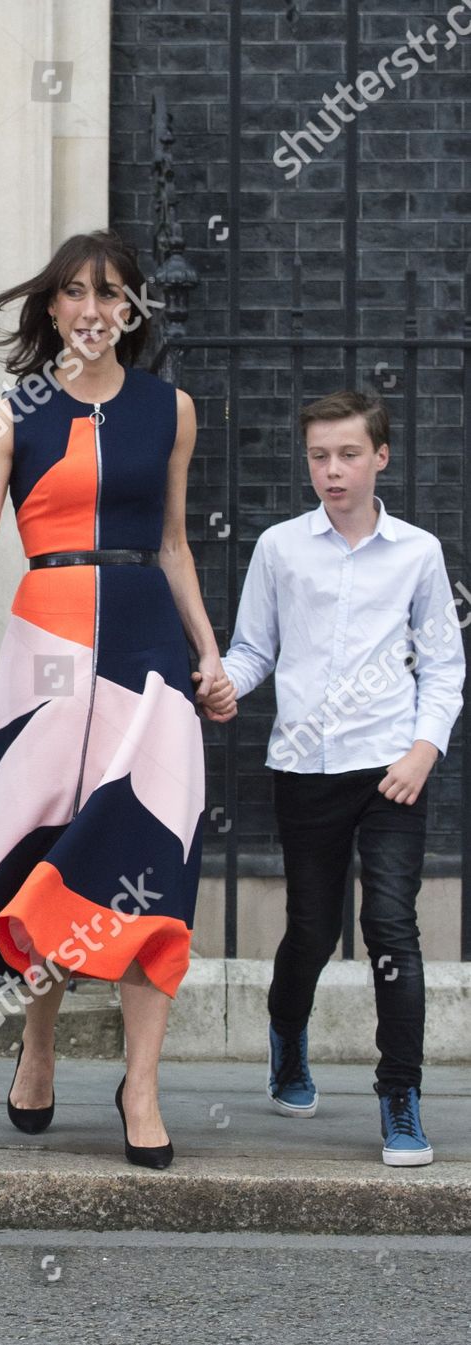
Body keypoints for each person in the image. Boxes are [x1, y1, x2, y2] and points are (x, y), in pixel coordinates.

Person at [0, 229, 233, 1169]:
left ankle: (141, 1081)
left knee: (153, 851)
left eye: (112, 293)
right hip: (45, 645)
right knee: (46, 852)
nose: (94, 309)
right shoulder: (10, 415)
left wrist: (209, 654)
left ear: (131, 308)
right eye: (76, 293)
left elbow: (175, 543)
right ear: (51, 307)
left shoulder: (170, 410)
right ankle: (41, 1042)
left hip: (145, 643)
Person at [206, 389, 464, 1166]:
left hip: (392, 770)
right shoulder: (282, 549)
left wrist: (424, 750)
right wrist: (224, 682)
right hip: (305, 770)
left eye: (348, 453)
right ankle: (288, 1032)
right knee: (313, 931)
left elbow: (444, 666)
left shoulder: (417, 552)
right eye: (319, 455)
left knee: (391, 926)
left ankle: (400, 1094)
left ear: (381, 457)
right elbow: (254, 649)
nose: (333, 469)